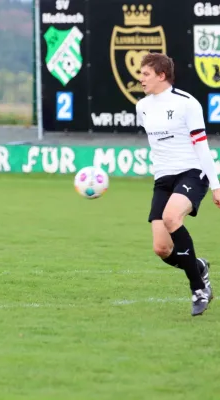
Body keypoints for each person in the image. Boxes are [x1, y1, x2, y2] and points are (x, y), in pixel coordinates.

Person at [137, 53, 220, 316]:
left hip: (192, 172)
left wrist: (216, 185)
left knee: (172, 218)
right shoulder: (142, 107)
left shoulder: (187, 104)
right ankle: (199, 267)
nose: (141, 79)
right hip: (163, 179)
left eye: (146, 74)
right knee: (162, 248)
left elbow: (202, 147)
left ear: (162, 75)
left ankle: (198, 289)